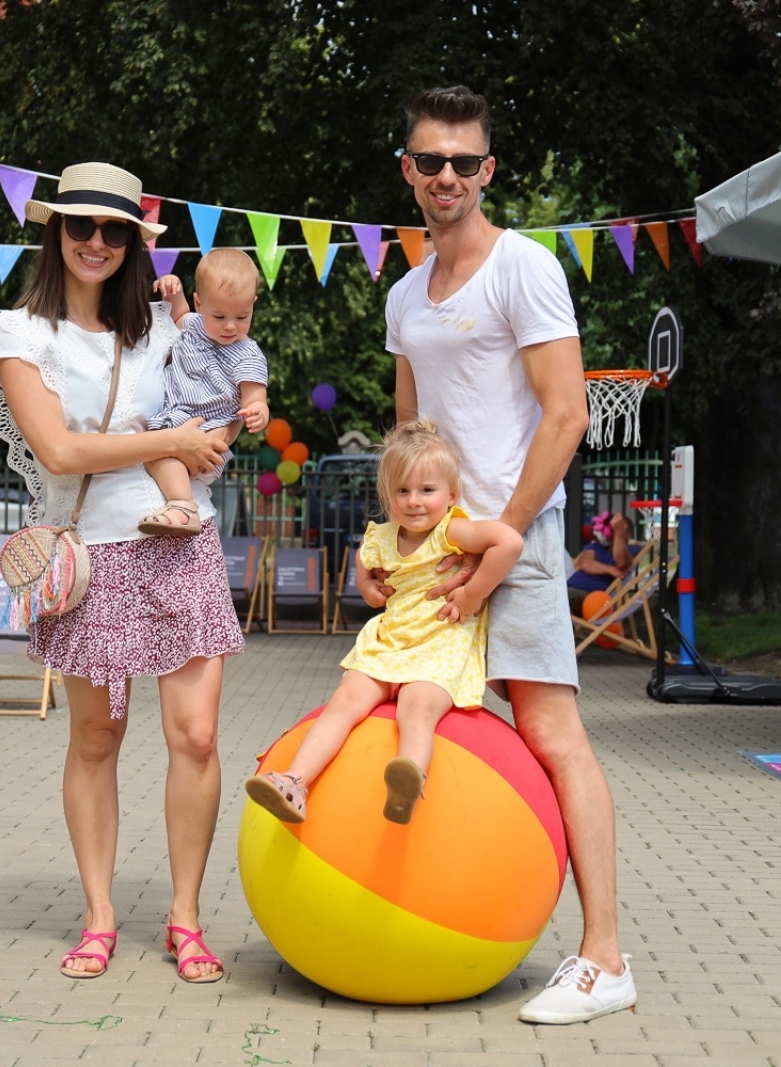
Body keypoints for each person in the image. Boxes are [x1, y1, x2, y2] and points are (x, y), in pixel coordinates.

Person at [383, 86, 637, 1024]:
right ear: (407, 170)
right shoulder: (405, 292)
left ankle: (605, 957)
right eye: (429, 160)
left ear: (487, 171)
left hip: (516, 543)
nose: (445, 176)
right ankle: (434, 908)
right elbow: (407, 434)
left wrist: (506, 544)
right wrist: (389, 543)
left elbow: (567, 414)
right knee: (417, 715)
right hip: (433, 553)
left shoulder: (523, 268)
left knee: (553, 736)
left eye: (464, 162)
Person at [0, 161, 242, 984]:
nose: (97, 241)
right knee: (97, 735)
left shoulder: (165, 333)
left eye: (114, 229)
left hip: (181, 539)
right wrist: (167, 442)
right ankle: (98, 916)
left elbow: (216, 413)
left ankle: (186, 918)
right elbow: (58, 449)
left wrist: (220, 427)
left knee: (194, 735)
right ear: (55, 231)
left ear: (133, 241)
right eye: (81, 225)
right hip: (93, 557)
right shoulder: (18, 331)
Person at [244, 420, 523, 825]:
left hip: (438, 646)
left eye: (427, 490)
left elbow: (509, 543)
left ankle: (408, 778)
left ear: (451, 495)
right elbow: (362, 558)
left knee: (418, 709)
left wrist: (472, 593)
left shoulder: (452, 531)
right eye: (402, 491)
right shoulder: (381, 537)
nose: (414, 501)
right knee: (342, 703)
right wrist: (366, 587)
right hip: (387, 645)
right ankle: (294, 782)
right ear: (387, 495)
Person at [139, 249, 270, 535]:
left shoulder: (248, 353)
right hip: (173, 419)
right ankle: (181, 501)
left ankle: (183, 506)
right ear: (199, 303)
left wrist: (258, 412)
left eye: (242, 315)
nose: (230, 325)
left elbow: (256, 396)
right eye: (219, 315)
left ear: (253, 305)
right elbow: (178, 313)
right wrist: (172, 289)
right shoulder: (194, 325)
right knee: (152, 448)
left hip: (211, 431)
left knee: (160, 454)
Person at [566, 510, 634, 615]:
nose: (614, 531)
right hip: (568, 588)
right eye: (613, 528)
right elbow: (584, 563)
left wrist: (619, 532)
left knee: (561, 599)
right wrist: (610, 569)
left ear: (628, 535)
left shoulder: (630, 550)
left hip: (591, 597)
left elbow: (622, 564)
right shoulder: (597, 546)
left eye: (619, 528)